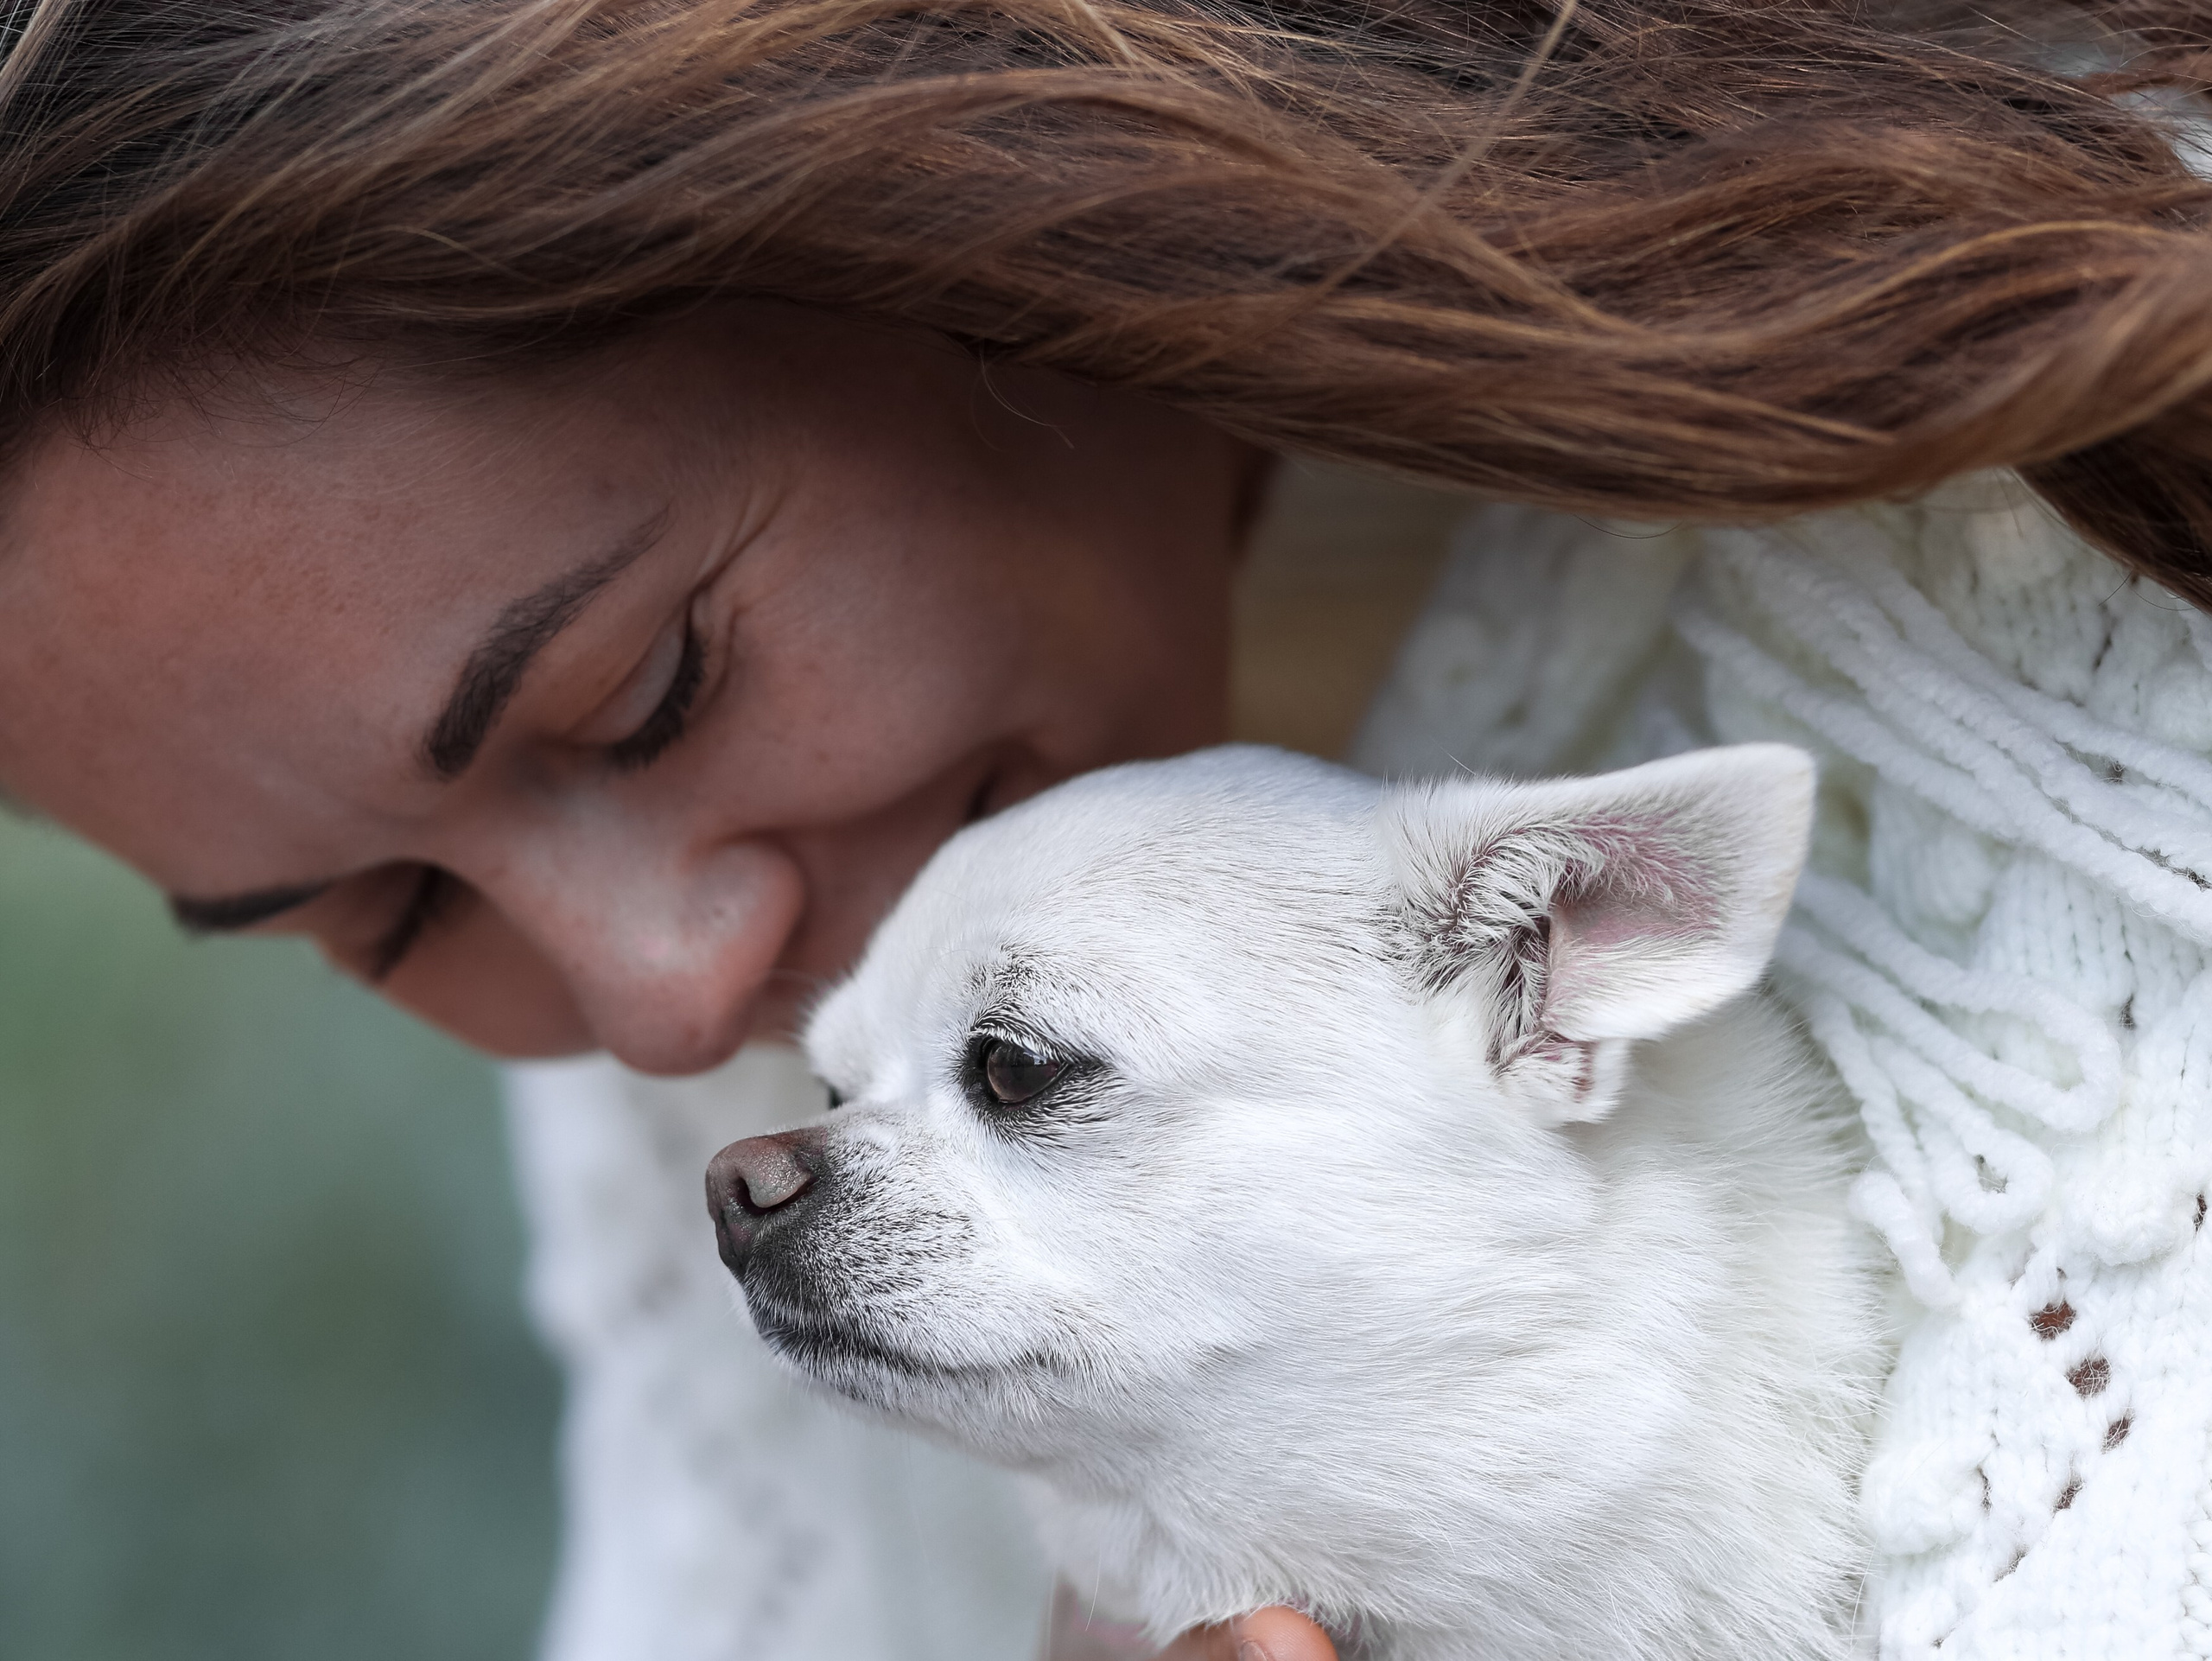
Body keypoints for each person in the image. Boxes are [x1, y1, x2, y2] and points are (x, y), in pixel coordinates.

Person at [2, 1, 2209, 1657]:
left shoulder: (2084, 603)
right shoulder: (830, 984)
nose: (668, 1010)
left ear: (936, 210)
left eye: (647, 686)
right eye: (396, 911)